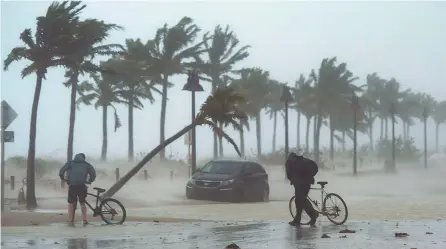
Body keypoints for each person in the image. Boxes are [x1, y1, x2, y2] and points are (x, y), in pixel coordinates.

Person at [59, 153, 96, 227]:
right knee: (82, 202)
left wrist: (64, 179)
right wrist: (90, 180)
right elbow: (93, 174)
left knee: (71, 203)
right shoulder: (86, 165)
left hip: (72, 186)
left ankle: (70, 220)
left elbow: (61, 172)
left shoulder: (70, 163)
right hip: (82, 185)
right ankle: (84, 220)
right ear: (83, 158)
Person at [286, 152, 318, 227]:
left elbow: (288, 174)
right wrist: (311, 175)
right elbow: (315, 167)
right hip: (306, 183)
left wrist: (293, 180)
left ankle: (313, 214)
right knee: (301, 201)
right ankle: (299, 219)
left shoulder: (289, 162)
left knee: (300, 201)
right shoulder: (304, 160)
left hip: (300, 184)